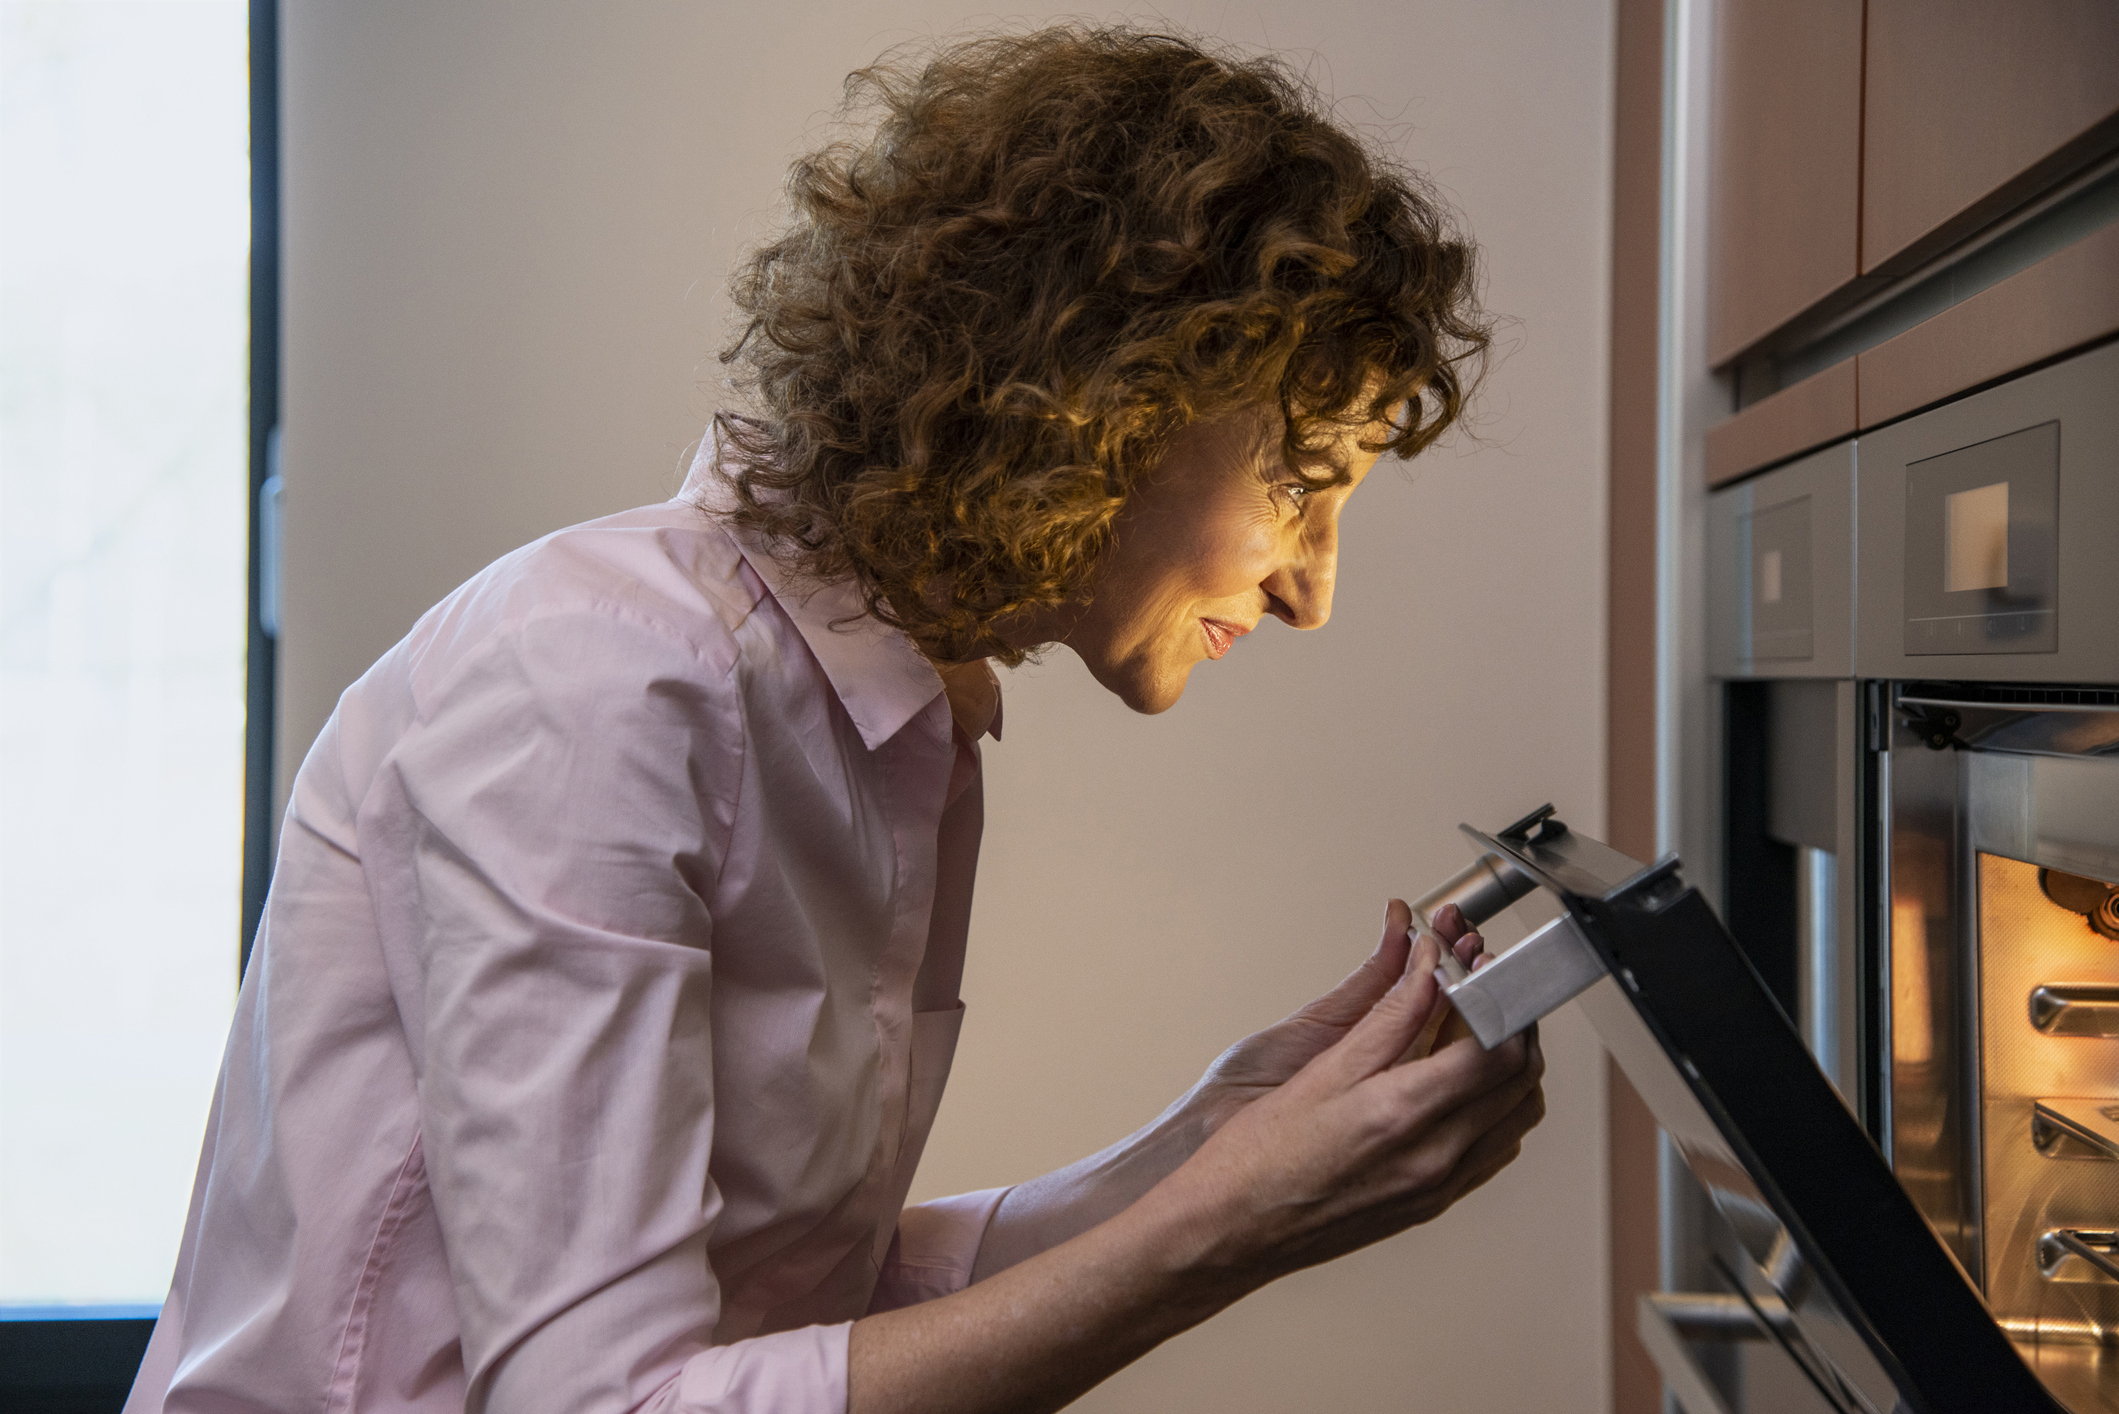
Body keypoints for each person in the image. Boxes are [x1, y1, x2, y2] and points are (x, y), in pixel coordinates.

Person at [127, 25, 1544, 1414]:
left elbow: (799, 1304)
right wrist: (1217, 1229)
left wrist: (1217, 1142)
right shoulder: (596, 679)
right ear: (1113, 396)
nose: (1315, 590)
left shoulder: (898, 719)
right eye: (1303, 485)